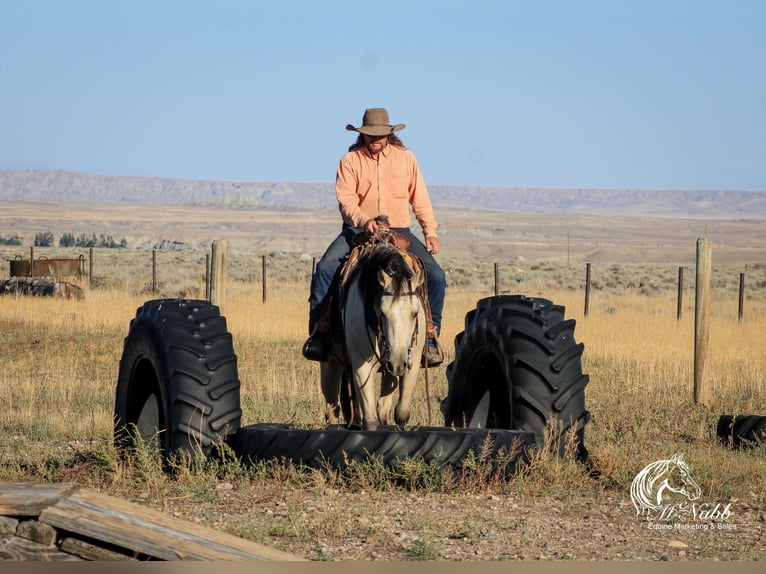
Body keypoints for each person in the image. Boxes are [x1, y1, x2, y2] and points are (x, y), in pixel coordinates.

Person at [302, 107, 446, 367]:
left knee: (436, 277)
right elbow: (345, 200)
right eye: (370, 134)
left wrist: (430, 231)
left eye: (380, 134)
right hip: (358, 231)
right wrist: (362, 220)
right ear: (362, 134)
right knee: (325, 269)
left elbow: (420, 199)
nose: (375, 138)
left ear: (389, 134)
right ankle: (318, 334)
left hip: (399, 231)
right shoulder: (350, 161)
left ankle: (431, 338)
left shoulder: (406, 159)